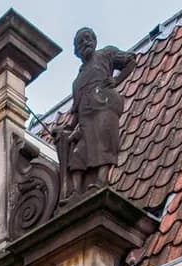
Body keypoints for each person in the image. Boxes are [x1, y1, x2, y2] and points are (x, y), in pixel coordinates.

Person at [64, 28, 135, 196]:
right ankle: (75, 191)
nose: (85, 43)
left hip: (105, 106)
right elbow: (75, 110)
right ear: (76, 52)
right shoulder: (77, 82)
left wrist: (116, 80)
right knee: (78, 153)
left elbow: (130, 61)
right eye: (80, 42)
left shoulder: (106, 54)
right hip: (85, 120)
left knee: (105, 143)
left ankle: (101, 181)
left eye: (88, 38)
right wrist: (65, 130)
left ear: (95, 41)